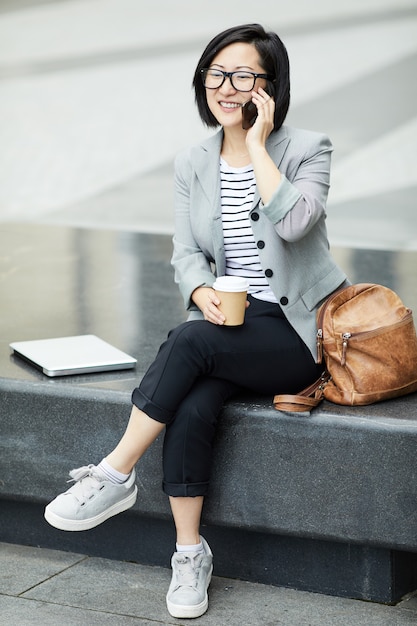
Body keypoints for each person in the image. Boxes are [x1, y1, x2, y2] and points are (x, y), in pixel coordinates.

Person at [44, 23, 348, 619]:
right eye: (217, 73)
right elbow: (186, 251)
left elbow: (293, 225)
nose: (227, 87)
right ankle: (189, 554)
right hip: (230, 326)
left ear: (271, 87)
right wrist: (200, 287)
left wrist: (257, 145)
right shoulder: (193, 160)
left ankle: (114, 473)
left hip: (295, 332)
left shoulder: (309, 148)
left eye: (244, 76)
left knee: (187, 344)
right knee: (192, 402)